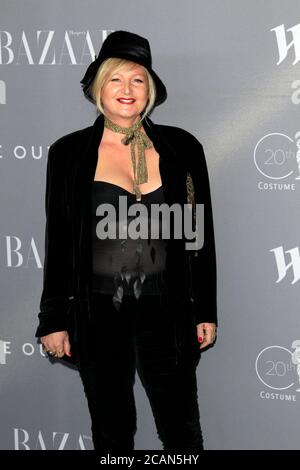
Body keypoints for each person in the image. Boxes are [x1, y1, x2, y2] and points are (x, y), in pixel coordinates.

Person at [35, 30, 218, 452]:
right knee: (112, 435)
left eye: (137, 79)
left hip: (168, 314)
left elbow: (197, 237)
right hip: (99, 315)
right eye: (116, 79)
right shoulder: (68, 153)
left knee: (182, 433)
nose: (126, 90)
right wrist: (53, 319)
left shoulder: (182, 148)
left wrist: (204, 310)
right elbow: (59, 240)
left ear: (149, 89)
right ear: (99, 87)